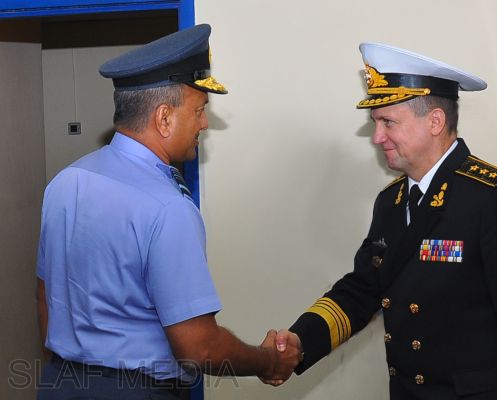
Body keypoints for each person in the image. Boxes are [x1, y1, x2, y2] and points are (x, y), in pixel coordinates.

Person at [275, 42, 497, 400]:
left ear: (435, 121)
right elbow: (363, 289)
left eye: (388, 122)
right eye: (375, 123)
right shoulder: (391, 202)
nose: (377, 137)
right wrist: (301, 340)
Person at [35, 24, 300, 400]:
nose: (204, 124)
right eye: (199, 111)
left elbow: (45, 295)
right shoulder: (168, 207)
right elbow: (199, 347)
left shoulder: (65, 182)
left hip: (59, 384)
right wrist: (266, 361)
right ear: (164, 118)